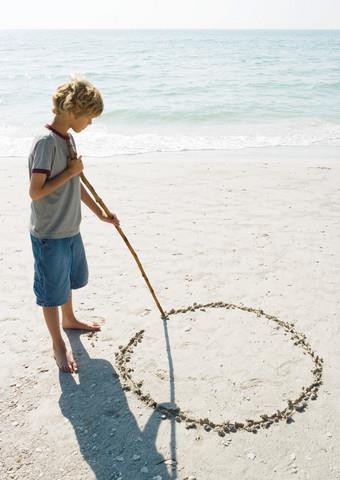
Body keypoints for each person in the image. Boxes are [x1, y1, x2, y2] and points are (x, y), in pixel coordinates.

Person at [28, 77, 120, 374]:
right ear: (73, 111)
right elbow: (36, 191)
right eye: (89, 117)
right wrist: (70, 172)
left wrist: (99, 214)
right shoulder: (45, 143)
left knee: (67, 277)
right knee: (51, 289)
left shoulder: (67, 139)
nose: (91, 123)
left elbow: (75, 185)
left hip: (70, 227)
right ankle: (57, 343)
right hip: (49, 232)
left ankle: (70, 320)